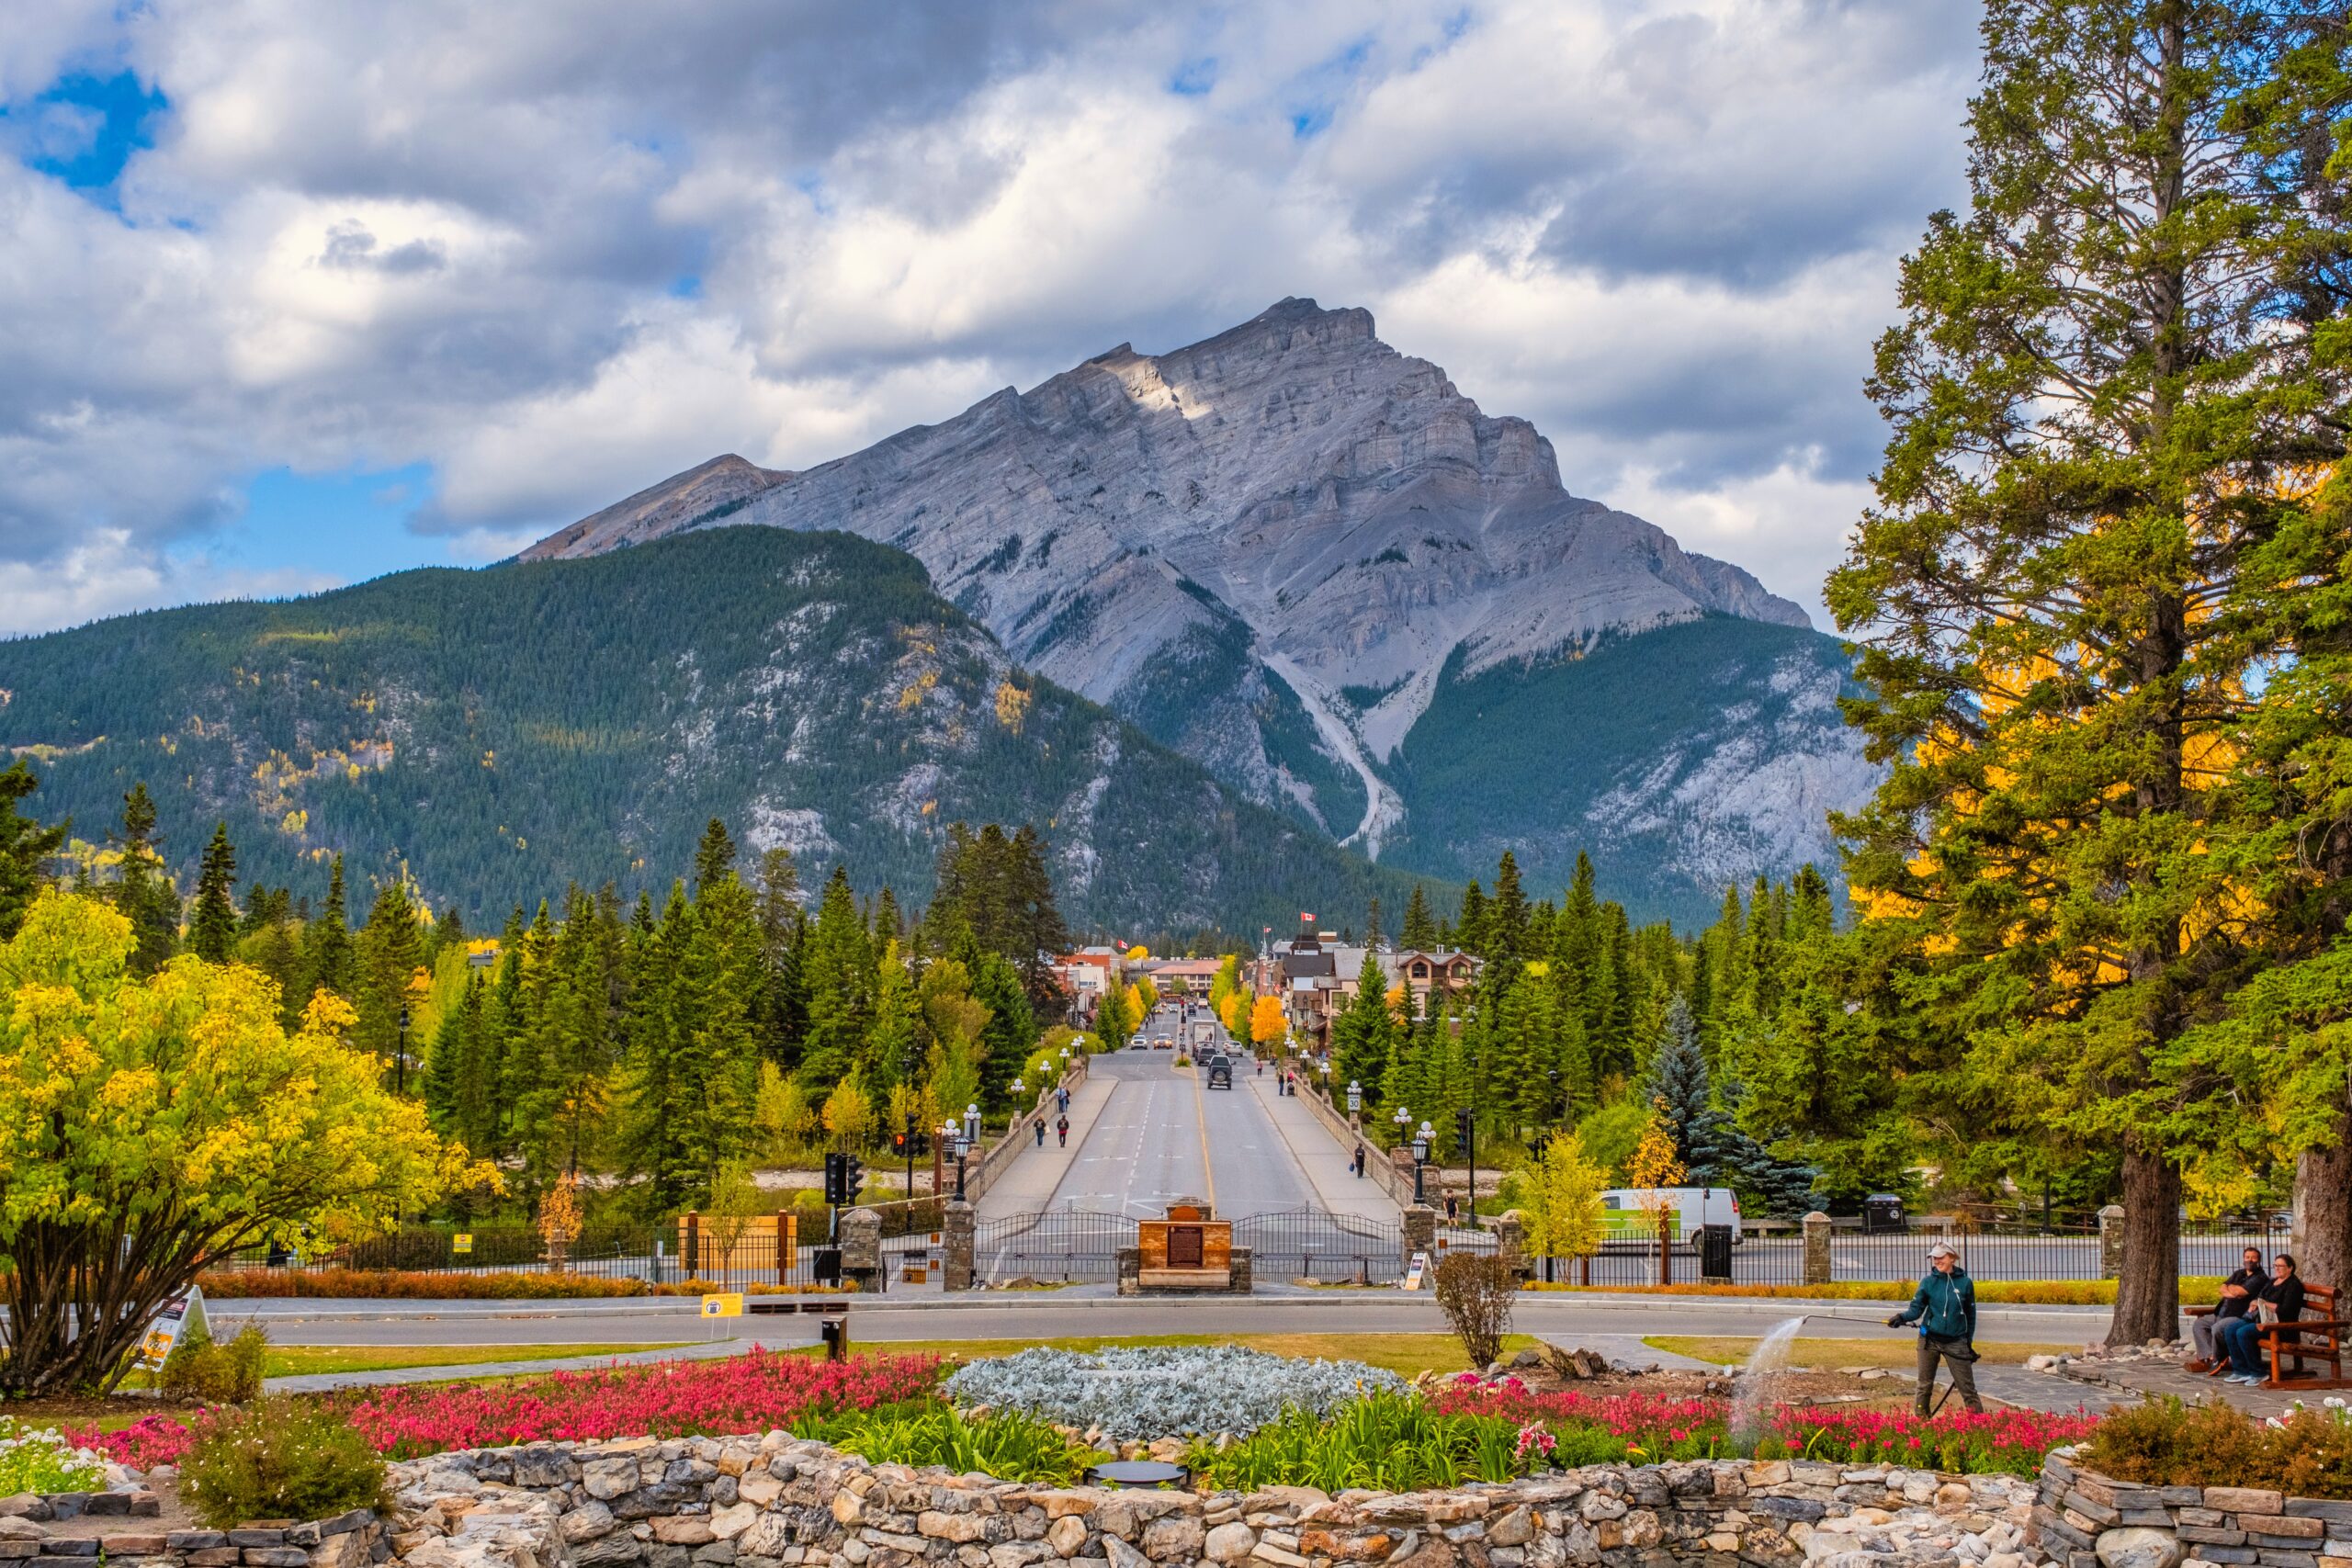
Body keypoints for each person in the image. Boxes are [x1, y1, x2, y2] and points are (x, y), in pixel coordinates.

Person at [1886, 1241, 1983, 1415]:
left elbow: (1971, 1316)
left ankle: (1980, 1425)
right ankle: (1922, 1422)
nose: (1937, 1261)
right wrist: (1901, 1318)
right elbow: (1916, 1309)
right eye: (1934, 1258)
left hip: (1956, 1343)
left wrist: (1968, 1344)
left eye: (1941, 1257)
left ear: (1952, 1258)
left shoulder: (1965, 1283)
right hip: (1928, 1340)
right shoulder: (1928, 1282)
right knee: (1924, 1385)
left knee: (1967, 1388)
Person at [2219, 1253, 2305, 1386]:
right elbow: (2260, 1297)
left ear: (2290, 1268)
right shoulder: (2272, 1281)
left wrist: (2264, 1304)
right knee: (2230, 1329)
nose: (2277, 1268)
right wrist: (2255, 1303)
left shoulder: (2293, 1285)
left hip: (2280, 1326)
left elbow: (2287, 1310)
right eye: (2275, 1265)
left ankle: (2258, 1372)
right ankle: (2241, 1370)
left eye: (2281, 1266)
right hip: (2261, 1319)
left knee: (2243, 1332)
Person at [2188, 1247, 2266, 1371]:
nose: (2250, 1260)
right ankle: (2210, 1356)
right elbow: (2222, 1288)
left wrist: (2232, 1288)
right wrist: (2231, 1292)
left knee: (2217, 1328)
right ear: (2243, 1259)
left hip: (2238, 1316)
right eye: (2247, 1257)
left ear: (2259, 1260)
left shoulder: (2260, 1278)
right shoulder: (2239, 1273)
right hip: (2222, 1313)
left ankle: (2218, 1358)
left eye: (2253, 1258)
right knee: (2199, 1324)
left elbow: (2241, 1291)